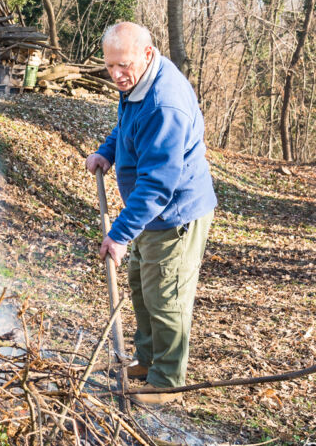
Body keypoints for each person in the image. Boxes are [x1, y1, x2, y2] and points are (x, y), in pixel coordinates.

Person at [85, 22, 217, 405]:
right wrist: (108, 151)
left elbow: (158, 184)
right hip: (149, 211)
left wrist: (121, 233)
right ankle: (146, 360)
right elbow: (127, 125)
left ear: (146, 53)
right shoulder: (138, 82)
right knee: (142, 287)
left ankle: (167, 381)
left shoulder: (165, 104)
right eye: (109, 66)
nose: (116, 75)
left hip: (174, 213)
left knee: (166, 297)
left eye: (122, 65)